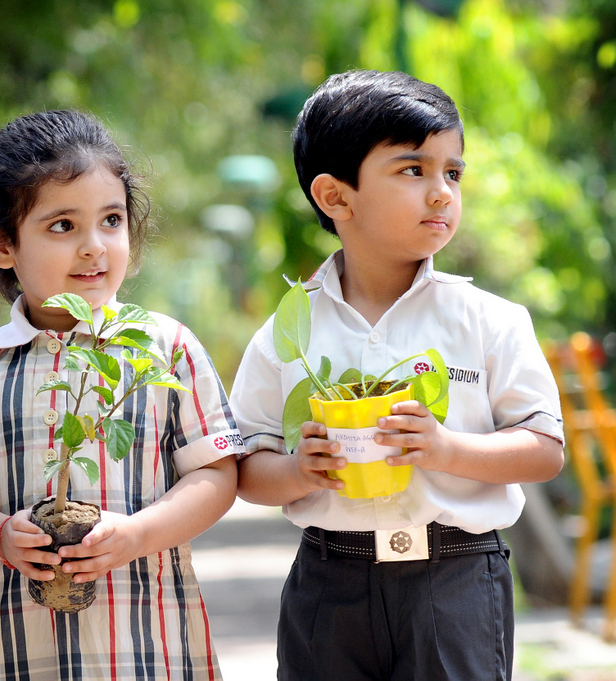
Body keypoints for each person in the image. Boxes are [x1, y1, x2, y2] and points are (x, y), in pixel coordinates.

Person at [230, 70, 565, 681]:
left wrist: (444, 447)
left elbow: (543, 451)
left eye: (453, 173)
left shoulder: (489, 321)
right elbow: (246, 470)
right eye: (414, 170)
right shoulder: (288, 334)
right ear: (336, 197)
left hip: (457, 576)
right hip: (329, 580)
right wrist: (297, 470)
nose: (441, 192)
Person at [0, 109, 242, 680]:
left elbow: (216, 476)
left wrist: (138, 534)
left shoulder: (165, 348)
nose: (95, 247)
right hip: (13, 646)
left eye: (111, 220)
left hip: (148, 642)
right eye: (63, 226)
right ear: (0, 244)